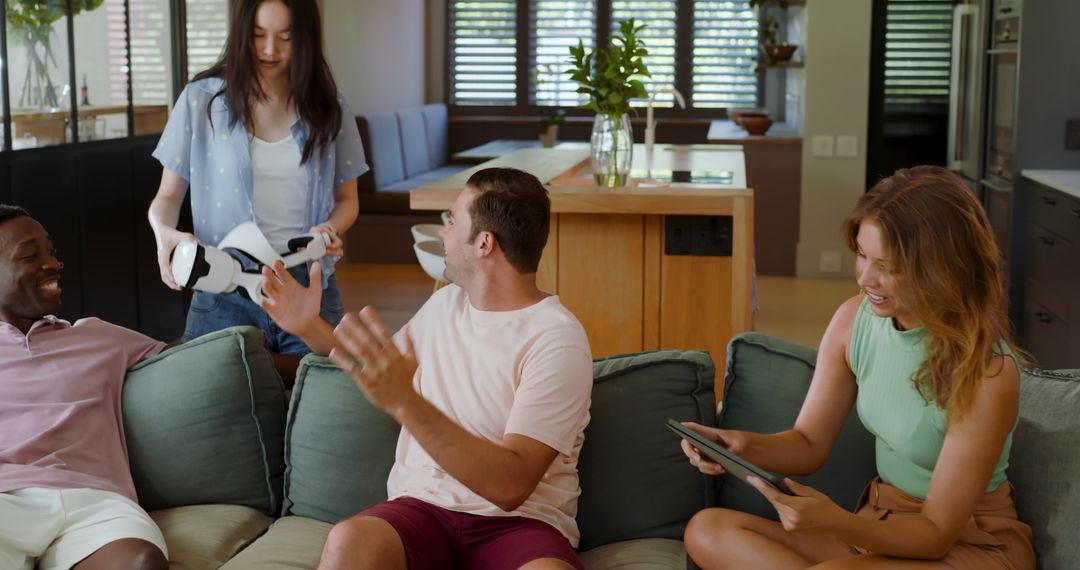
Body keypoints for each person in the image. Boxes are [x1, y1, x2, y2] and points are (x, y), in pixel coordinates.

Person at [680, 166, 1036, 569]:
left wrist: (837, 522)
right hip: (880, 529)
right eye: (862, 255)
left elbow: (936, 533)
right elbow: (808, 443)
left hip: (966, 544)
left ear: (942, 267)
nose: (866, 278)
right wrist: (736, 444)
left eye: (888, 266)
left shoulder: (988, 372)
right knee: (708, 529)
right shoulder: (855, 320)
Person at [259, 167, 594, 570]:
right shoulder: (444, 305)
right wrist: (308, 326)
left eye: (452, 221)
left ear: (484, 243)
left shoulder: (557, 338)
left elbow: (511, 485)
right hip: (422, 508)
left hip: (520, 525)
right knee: (348, 540)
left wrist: (405, 403)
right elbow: (377, 368)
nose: (444, 234)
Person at [147, 0, 367, 365]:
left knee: (323, 402)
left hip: (306, 283)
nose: (269, 50)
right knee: (218, 411)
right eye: (258, 35)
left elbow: (348, 199)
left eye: (285, 37)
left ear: (305, 40)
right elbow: (167, 196)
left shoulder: (329, 106)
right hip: (222, 281)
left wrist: (330, 227)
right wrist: (162, 233)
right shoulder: (201, 100)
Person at [0, 205, 170, 570]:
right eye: (31, 255)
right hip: (6, 502)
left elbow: (212, 351)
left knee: (141, 563)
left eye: (51, 252)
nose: (52, 264)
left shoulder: (97, 335)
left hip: (96, 502)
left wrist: (314, 340)